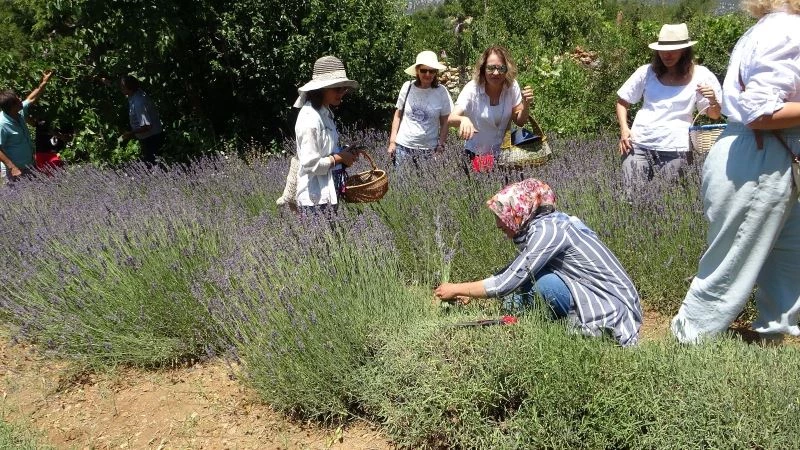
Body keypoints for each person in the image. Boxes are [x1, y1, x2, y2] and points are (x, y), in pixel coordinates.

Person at [671, 0, 800, 344]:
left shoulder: (771, 28)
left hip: (767, 154)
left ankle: (771, 339)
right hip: (760, 156)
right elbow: (760, 112)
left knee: (787, 252)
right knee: (731, 260)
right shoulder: (788, 30)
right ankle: (690, 340)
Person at [434, 178, 642, 347]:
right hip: (594, 292)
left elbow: (509, 280)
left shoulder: (549, 232)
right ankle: (537, 321)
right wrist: (470, 292)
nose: (499, 225)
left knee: (541, 285)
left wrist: (456, 289)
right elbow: (517, 269)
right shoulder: (547, 224)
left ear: (518, 211)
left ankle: (570, 328)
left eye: (502, 218)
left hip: (611, 306)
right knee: (517, 294)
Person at [616, 23, 722, 191]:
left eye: (673, 50)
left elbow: (714, 115)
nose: (667, 55)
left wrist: (713, 100)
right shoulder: (646, 72)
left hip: (676, 149)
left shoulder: (701, 75)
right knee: (632, 197)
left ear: (684, 51)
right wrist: (624, 129)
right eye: (663, 50)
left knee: (666, 198)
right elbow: (623, 101)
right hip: (638, 144)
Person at [449, 46, 534, 171]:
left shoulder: (512, 86)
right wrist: (463, 120)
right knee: (480, 184)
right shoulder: (472, 89)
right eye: (490, 68)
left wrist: (526, 104)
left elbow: (520, 121)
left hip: (505, 156)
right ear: (483, 69)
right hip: (476, 157)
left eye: (501, 68)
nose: (496, 73)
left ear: (507, 69)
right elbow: (451, 118)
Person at [293, 55, 360, 213]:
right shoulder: (310, 118)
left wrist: (345, 154)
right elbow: (311, 164)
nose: (342, 92)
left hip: (328, 194)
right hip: (314, 199)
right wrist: (340, 158)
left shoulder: (325, 113)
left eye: (344, 88)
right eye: (337, 88)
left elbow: (326, 152)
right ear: (321, 89)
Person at [387, 51, 453, 166]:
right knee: (402, 178)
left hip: (429, 151)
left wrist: (441, 145)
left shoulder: (441, 92)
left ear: (436, 72)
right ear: (417, 70)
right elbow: (397, 115)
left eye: (431, 71)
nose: (427, 74)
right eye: (423, 70)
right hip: (403, 148)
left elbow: (445, 122)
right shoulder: (407, 87)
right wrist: (392, 142)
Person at [0, 70, 53, 182]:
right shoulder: (2, 124)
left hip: (29, 165)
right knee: (19, 194)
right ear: (11, 107)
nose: (21, 100)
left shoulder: (18, 111)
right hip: (15, 170)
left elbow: (32, 98)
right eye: (17, 100)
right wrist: (12, 167)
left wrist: (44, 82)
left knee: (37, 191)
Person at [119, 75, 164, 165]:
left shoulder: (138, 103)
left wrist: (130, 133)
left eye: (123, 87)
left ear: (130, 88)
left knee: (153, 165)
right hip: (149, 137)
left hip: (151, 138)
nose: (121, 89)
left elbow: (147, 126)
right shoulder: (135, 94)